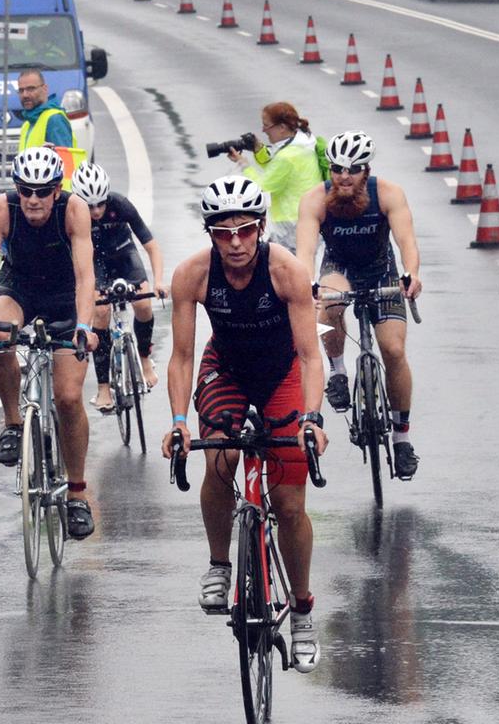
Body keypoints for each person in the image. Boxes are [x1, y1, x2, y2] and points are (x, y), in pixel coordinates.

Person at [161, 176, 329, 674]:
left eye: (245, 230)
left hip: (282, 374)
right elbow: (183, 356)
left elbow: (309, 355)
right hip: (227, 369)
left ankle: (301, 612)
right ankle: (219, 564)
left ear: (259, 229)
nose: (235, 242)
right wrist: (177, 422)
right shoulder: (191, 274)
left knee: (289, 502)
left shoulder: (286, 272)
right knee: (220, 456)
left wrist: (313, 418)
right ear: (210, 233)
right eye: (222, 231)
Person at [0, 146, 100, 539]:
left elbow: (85, 277)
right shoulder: (1, 208)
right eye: (25, 190)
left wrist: (83, 325)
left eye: (42, 191)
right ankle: (13, 422)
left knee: (68, 397)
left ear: (56, 191)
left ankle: (77, 494)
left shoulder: (73, 210)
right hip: (20, 287)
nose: (33, 199)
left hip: (64, 295)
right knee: (0, 333)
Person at [294, 130, 423, 479]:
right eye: (337, 168)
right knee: (328, 304)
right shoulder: (315, 199)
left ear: (366, 170)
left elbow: (405, 239)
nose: (344, 176)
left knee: (393, 351)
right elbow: (305, 250)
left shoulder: (388, 193)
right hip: (339, 269)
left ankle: (401, 438)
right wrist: (307, 282)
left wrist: (411, 273)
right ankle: (337, 372)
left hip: (381, 272)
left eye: (353, 169)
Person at [69, 162, 167, 411]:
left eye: (100, 204)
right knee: (101, 313)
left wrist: (158, 281)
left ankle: (145, 360)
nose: (96, 211)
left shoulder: (120, 204)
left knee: (143, 304)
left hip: (124, 256)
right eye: (89, 206)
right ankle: (104, 388)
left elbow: (151, 245)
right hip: (95, 262)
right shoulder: (71, 212)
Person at [226, 101, 323, 251]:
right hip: (307, 219)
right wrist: (259, 150)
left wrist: (243, 165)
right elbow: (276, 170)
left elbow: (262, 187)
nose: (263, 130)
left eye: (267, 125)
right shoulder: (303, 144)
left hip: (290, 224)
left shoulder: (287, 156)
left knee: (280, 268)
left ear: (282, 128)